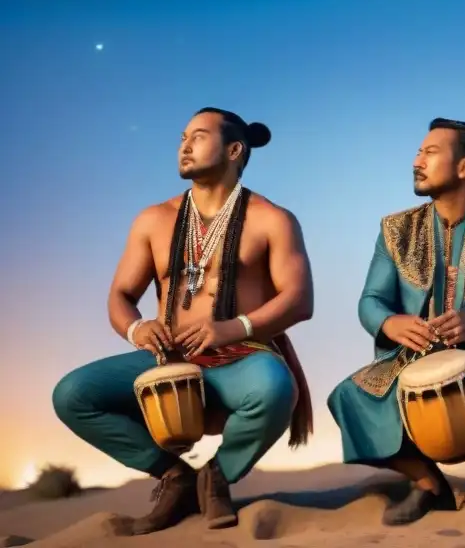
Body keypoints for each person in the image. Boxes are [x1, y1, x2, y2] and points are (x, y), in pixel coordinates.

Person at [52, 108, 314, 534]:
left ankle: (219, 475)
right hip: (170, 358)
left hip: (242, 356)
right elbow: (121, 296)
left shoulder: (272, 219)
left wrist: (233, 328)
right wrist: (137, 328)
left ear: (234, 150)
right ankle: (175, 477)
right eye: (182, 137)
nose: (185, 145)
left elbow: (300, 300)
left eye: (199, 136)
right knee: (72, 396)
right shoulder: (153, 219)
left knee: (276, 387)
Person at [328, 118, 465, 529]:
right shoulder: (395, 229)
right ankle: (429, 483)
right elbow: (370, 300)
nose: (417, 161)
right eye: (418, 152)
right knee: (347, 397)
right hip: (409, 358)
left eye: (429, 153)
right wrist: (391, 322)